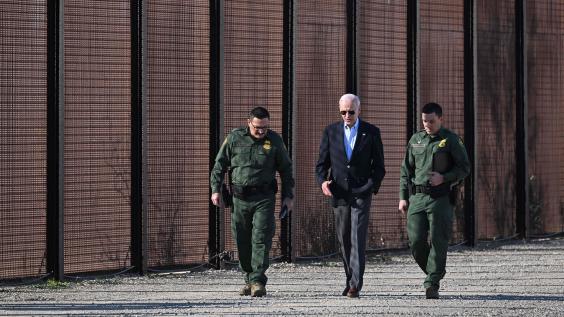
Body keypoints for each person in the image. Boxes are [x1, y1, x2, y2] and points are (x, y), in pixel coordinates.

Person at [210, 106, 294, 297]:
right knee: (242, 240)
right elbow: (219, 165)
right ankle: (248, 278)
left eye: (264, 127)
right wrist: (215, 190)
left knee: (261, 238)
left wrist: (289, 197)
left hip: (264, 198)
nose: (261, 131)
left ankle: (257, 280)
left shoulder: (274, 141)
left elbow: (286, 170)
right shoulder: (234, 139)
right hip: (239, 199)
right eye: (257, 127)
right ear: (249, 123)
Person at [315, 93, 386, 298]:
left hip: (361, 192)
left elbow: (379, 167)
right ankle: (349, 278)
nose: (347, 115)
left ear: (359, 110)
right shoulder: (331, 132)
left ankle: (355, 283)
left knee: (357, 236)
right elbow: (321, 165)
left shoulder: (371, 133)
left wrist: (371, 186)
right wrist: (322, 182)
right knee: (344, 237)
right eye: (343, 112)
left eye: (351, 112)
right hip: (339, 193)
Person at [398, 102, 470, 299]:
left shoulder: (451, 140)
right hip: (417, 198)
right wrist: (403, 197)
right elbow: (406, 171)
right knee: (416, 241)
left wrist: (444, 178)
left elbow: (464, 168)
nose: (428, 125)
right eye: (424, 121)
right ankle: (434, 271)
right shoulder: (416, 140)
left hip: (440, 198)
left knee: (439, 240)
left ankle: (432, 282)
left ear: (441, 119)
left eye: (431, 121)